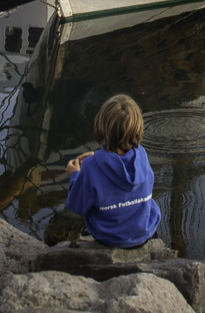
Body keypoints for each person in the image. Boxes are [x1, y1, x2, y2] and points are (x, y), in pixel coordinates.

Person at [65, 94, 161, 247]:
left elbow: (76, 206)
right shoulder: (142, 154)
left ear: (101, 126)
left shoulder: (91, 165)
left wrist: (75, 175)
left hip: (109, 238)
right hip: (144, 232)